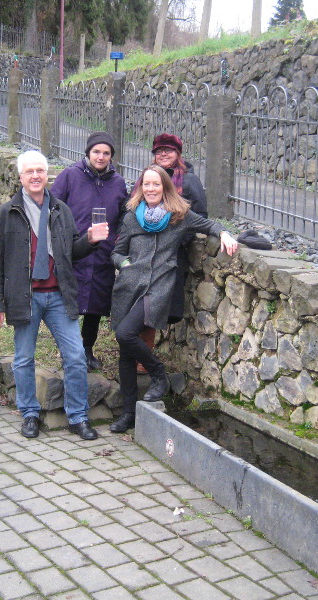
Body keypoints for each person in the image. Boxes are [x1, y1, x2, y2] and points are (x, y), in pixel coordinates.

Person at [0, 150, 109, 440]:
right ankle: (29, 413)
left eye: (40, 171)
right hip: (24, 297)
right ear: (20, 177)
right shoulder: (7, 213)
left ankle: (78, 416)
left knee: (76, 356)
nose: (35, 176)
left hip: (58, 296)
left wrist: (89, 241)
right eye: (29, 172)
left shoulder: (61, 210)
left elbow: (70, 253)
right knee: (24, 358)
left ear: (47, 175)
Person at [108, 165, 238, 433]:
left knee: (125, 334)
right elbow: (117, 251)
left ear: (165, 187)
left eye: (156, 184)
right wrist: (125, 263)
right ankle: (128, 413)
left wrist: (224, 233)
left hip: (158, 286)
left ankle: (158, 374)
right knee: (125, 352)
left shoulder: (180, 216)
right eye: (146, 184)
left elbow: (209, 224)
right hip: (129, 285)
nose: (151, 189)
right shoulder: (132, 216)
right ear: (141, 188)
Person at [50, 132, 128, 371]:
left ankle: (86, 349)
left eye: (106, 153)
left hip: (103, 252)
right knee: (70, 303)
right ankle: (69, 351)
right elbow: (52, 205)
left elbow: (124, 214)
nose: (101, 157)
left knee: (95, 305)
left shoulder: (118, 182)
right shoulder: (70, 175)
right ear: (88, 153)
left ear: (112, 156)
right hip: (74, 250)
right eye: (96, 152)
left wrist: (117, 240)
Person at [136, 133, 209, 371]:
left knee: (156, 305)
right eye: (159, 151)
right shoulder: (148, 179)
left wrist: (177, 240)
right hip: (144, 253)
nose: (163, 154)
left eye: (168, 150)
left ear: (178, 153)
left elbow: (200, 216)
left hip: (171, 255)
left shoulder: (189, 181)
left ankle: (145, 359)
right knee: (141, 302)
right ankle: (139, 356)